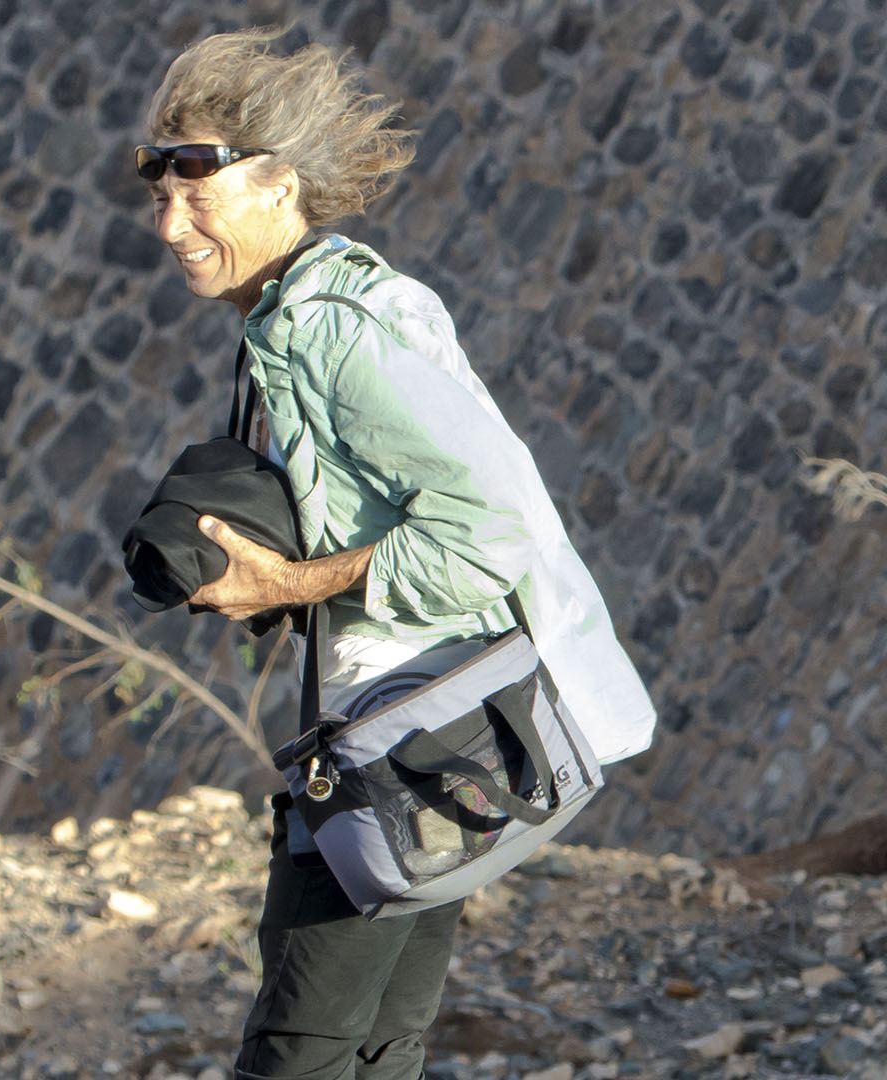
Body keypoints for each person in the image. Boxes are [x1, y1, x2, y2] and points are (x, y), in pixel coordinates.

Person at [136, 27, 656, 1080]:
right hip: (439, 735)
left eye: (199, 184)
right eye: (158, 187)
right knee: (377, 1046)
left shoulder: (335, 331)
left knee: (301, 1047)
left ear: (281, 187)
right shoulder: (307, 316)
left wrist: (295, 581)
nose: (170, 221)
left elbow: (491, 523)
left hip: (403, 744)